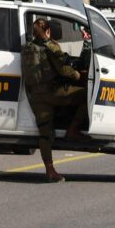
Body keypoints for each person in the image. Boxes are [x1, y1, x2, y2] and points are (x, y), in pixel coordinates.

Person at [22, 14, 88, 182]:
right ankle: (73, 130)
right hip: (53, 93)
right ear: (48, 31)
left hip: (36, 95)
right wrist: (78, 75)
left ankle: (50, 170)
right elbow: (64, 70)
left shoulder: (28, 47)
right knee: (85, 96)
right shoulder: (51, 47)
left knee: (45, 133)